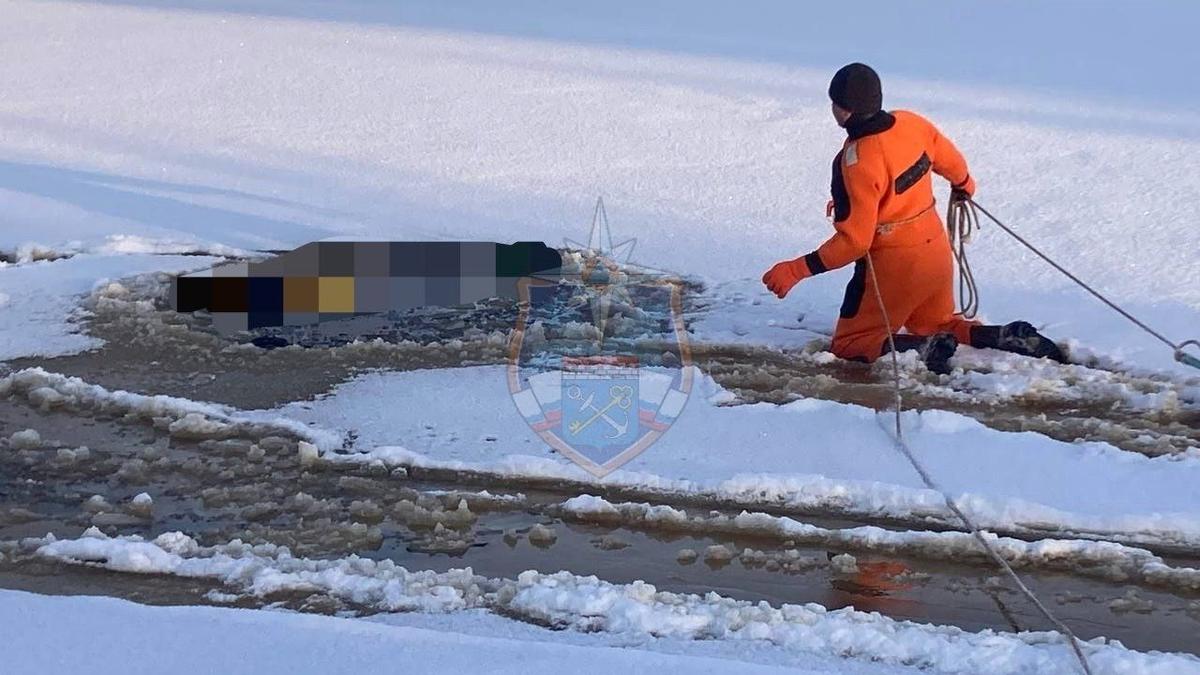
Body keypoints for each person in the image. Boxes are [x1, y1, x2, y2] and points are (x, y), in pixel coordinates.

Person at [761, 63, 1065, 374]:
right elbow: (946, 155)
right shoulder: (909, 123)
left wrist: (797, 269)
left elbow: (855, 241)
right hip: (934, 250)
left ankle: (925, 349)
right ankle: (1007, 336)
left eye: (834, 103)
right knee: (937, 323)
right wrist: (963, 184)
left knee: (851, 345)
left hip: (894, 267)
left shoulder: (855, 162)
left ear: (844, 111)